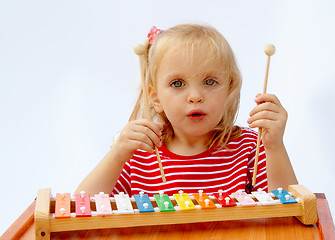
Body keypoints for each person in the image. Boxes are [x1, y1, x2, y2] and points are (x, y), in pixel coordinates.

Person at [76, 24, 297, 197]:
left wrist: (274, 146)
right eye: (178, 84)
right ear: (156, 98)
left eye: (210, 82)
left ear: (229, 89)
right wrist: (116, 156)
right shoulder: (140, 154)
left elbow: (288, 210)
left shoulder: (250, 147)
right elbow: (80, 209)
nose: (195, 96)